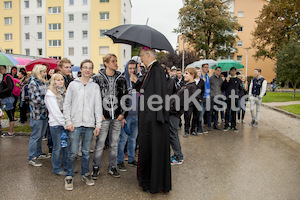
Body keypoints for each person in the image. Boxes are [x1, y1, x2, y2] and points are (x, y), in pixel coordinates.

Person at [133, 48, 171, 194]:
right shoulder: (151, 70)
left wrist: (157, 117)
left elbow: (159, 95)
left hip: (154, 120)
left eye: (142, 56)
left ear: (148, 55)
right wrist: (137, 82)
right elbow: (146, 91)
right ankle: (147, 180)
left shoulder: (157, 70)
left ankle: (154, 183)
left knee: (153, 150)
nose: (141, 59)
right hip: (149, 118)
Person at [63, 59, 102, 191]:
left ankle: (85, 173)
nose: (87, 70)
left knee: (86, 152)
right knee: (73, 152)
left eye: (90, 68)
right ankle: (69, 176)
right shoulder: (73, 85)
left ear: (92, 70)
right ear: (80, 69)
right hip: (75, 124)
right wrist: (68, 121)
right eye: (85, 67)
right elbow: (66, 104)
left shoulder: (95, 86)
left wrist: (98, 125)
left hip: (89, 124)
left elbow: (98, 106)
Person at [91, 54, 128, 180]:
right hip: (103, 117)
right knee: (100, 143)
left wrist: (123, 114)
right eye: (113, 61)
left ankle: (112, 167)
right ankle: (96, 168)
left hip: (117, 117)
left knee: (114, 144)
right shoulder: (96, 78)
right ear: (106, 63)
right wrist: (98, 114)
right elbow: (93, 98)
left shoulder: (121, 78)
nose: (115, 63)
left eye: (116, 61)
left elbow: (125, 97)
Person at [169, 68, 200, 164]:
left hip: (174, 114)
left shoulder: (191, 88)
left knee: (173, 135)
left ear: (192, 75)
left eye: (186, 73)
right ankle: (177, 154)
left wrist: (171, 110)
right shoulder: (188, 86)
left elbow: (181, 103)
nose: (184, 75)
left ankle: (179, 156)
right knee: (172, 134)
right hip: (174, 112)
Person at [117, 60, 139, 172]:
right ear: (126, 68)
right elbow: (120, 99)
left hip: (137, 115)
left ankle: (131, 159)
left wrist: (136, 82)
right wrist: (122, 116)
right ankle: (120, 161)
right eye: (130, 68)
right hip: (127, 115)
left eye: (134, 68)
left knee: (133, 139)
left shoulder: (138, 80)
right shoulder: (122, 80)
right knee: (123, 139)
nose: (132, 70)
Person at [45, 73, 68, 176]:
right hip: (56, 124)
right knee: (57, 147)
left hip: (65, 123)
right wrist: (65, 123)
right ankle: (57, 168)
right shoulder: (50, 94)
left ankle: (67, 167)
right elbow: (55, 112)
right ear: (53, 81)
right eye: (57, 80)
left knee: (65, 146)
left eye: (61, 80)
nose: (60, 82)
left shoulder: (64, 93)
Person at [28, 64, 50, 167]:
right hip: (37, 114)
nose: (45, 74)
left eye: (45, 72)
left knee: (41, 136)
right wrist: (48, 103)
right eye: (43, 72)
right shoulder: (33, 83)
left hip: (44, 113)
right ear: (38, 72)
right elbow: (35, 99)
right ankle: (32, 157)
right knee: (35, 136)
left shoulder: (42, 82)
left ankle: (38, 153)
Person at [222, 67, 243, 132]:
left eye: (234, 71)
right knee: (227, 112)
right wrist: (226, 81)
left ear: (235, 72)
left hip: (235, 98)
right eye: (232, 71)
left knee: (234, 112)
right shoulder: (227, 79)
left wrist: (238, 95)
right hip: (228, 98)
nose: (233, 72)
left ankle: (233, 126)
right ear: (230, 72)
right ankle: (226, 125)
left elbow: (241, 89)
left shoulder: (238, 80)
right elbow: (223, 88)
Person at [0, 65, 15, 137]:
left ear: (5, 69)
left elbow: (10, 87)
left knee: (10, 115)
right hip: (5, 98)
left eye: (2, 69)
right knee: (9, 114)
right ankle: (11, 131)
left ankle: (11, 132)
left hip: (8, 98)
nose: (1, 70)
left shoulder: (7, 77)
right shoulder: (3, 77)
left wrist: (2, 91)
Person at [199, 63, 212, 132]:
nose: (206, 69)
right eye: (205, 67)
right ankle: (199, 128)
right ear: (202, 68)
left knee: (206, 112)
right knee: (201, 113)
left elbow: (208, 86)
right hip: (201, 97)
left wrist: (209, 94)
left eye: (207, 67)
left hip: (207, 96)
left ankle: (204, 126)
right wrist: (202, 81)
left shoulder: (207, 76)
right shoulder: (200, 76)